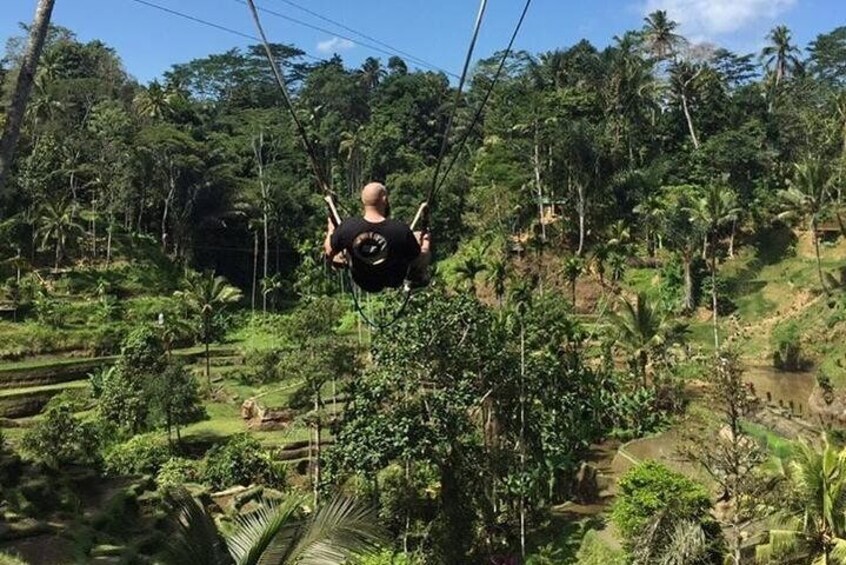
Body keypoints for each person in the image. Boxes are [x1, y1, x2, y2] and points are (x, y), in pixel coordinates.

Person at [324, 182, 431, 293]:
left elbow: (329, 251)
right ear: (384, 200)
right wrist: (425, 241)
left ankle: (346, 255)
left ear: (363, 201)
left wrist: (331, 230)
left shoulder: (347, 227)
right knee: (421, 240)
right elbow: (415, 256)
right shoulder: (400, 230)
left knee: (339, 242)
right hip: (393, 279)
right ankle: (416, 278)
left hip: (362, 280)